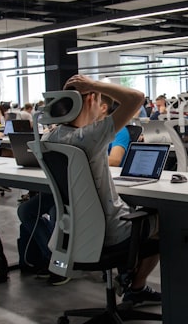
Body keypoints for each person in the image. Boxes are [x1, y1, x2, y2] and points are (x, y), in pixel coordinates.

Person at [37, 74, 161, 304]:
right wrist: (93, 84)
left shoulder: (50, 136)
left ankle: (127, 275)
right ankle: (136, 285)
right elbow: (137, 98)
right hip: (112, 231)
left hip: (75, 233)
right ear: (90, 100)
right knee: (166, 220)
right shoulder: (89, 136)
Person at [101, 94, 132, 167]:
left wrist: (85, 160)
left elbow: (114, 160)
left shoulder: (120, 130)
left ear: (104, 108)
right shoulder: (93, 129)